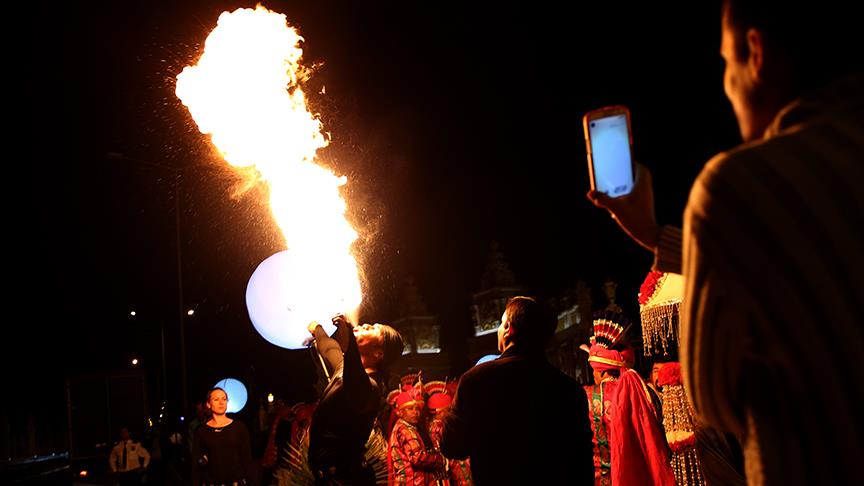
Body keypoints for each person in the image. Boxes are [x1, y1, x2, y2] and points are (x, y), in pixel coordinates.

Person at [587, 2, 863, 484]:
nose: (727, 85)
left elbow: (715, 394)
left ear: (755, 54)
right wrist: (656, 236)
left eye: (725, 63)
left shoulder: (737, 185)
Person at [439, 296, 594, 485]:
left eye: (501, 323)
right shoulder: (570, 390)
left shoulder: (476, 380)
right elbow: (583, 462)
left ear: (508, 330)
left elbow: (453, 447)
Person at [307, 314, 404, 485]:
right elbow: (330, 349)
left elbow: (355, 376)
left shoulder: (370, 388)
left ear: (378, 353)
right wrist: (317, 329)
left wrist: (350, 336)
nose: (366, 324)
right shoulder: (344, 371)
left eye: (373, 328)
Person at [582, 312, 673, 486]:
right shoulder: (646, 392)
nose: (593, 375)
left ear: (600, 369)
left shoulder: (586, 397)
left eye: (593, 370)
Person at [191, 387, 257, 486]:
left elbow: (247, 460)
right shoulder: (201, 431)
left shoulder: (239, 427)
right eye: (216, 399)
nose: (221, 402)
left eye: (224, 399)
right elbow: (196, 464)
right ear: (209, 404)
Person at [387, 387, 445, 485]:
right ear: (400, 412)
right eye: (410, 409)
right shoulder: (404, 429)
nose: (415, 412)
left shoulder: (410, 427)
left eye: (417, 408)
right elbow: (417, 457)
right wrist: (440, 459)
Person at [425, 381, 472, 485]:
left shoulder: (434, 425)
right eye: (449, 409)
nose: (451, 412)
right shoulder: (439, 427)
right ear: (440, 412)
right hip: (454, 465)